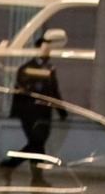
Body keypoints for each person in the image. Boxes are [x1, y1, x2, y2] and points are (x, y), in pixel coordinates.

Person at [8, 27, 65, 185]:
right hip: (30, 113)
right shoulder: (28, 69)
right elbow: (21, 92)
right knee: (37, 144)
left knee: (37, 145)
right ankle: (32, 176)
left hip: (43, 113)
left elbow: (54, 91)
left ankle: (13, 167)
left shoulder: (49, 69)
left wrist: (61, 110)